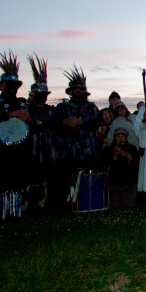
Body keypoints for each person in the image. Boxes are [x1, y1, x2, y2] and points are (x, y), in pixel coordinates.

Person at [54, 65, 100, 211]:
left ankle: (87, 203)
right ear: (70, 91)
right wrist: (64, 122)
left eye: (81, 89)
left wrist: (83, 121)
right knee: (68, 177)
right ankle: (68, 206)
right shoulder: (62, 107)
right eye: (76, 89)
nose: (79, 92)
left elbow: (97, 121)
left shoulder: (92, 107)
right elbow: (55, 123)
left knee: (87, 177)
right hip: (68, 149)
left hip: (88, 149)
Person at [0, 51, 32, 219]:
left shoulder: (22, 102)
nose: (14, 88)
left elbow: (31, 126)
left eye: (16, 85)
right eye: (10, 85)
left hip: (18, 150)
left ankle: (14, 212)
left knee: (17, 180)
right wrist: (9, 114)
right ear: (1, 86)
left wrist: (29, 119)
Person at [26, 54, 57, 214]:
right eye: (41, 95)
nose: (44, 97)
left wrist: (43, 124)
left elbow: (55, 124)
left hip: (47, 150)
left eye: (45, 95)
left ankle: (45, 206)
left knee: (46, 179)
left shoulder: (50, 110)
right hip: (31, 152)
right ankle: (30, 207)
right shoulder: (27, 109)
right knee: (32, 180)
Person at [100, 127, 139, 207]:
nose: (120, 138)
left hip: (129, 183)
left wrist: (125, 154)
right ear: (114, 138)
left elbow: (135, 162)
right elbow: (105, 164)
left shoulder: (132, 148)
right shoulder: (108, 149)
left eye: (123, 136)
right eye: (118, 136)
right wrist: (115, 155)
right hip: (114, 183)